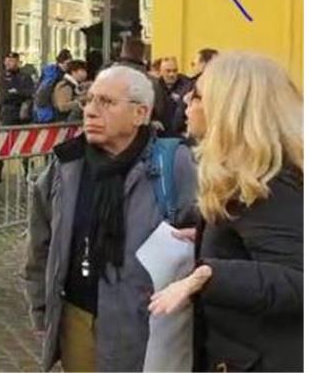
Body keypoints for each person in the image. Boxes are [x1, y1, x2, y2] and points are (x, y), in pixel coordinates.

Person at [23, 65, 198, 372]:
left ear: (140, 114)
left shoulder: (173, 164)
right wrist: (42, 308)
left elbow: (203, 244)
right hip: (78, 318)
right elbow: (40, 243)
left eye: (106, 102)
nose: (90, 111)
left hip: (147, 325)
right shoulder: (67, 164)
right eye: (88, 100)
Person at [149, 52, 304, 372]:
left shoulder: (270, 185)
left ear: (231, 109)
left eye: (200, 95)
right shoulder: (246, 174)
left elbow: (300, 279)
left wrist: (208, 275)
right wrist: (212, 239)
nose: (187, 99)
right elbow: (256, 247)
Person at [111, 36, 170, 136]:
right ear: (142, 56)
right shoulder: (152, 82)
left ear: (122, 52)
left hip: (111, 132)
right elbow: (161, 112)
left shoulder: (106, 78)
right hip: (142, 136)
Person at [33, 49, 72, 123]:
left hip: (45, 110)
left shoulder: (52, 72)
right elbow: (44, 92)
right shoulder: (54, 74)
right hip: (48, 110)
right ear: (62, 63)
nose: (68, 67)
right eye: (67, 64)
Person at [0, 51, 35, 126]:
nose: (8, 63)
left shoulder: (24, 76)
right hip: (8, 114)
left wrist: (16, 92)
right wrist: (19, 93)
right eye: (7, 61)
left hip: (23, 113)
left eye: (11, 61)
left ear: (17, 62)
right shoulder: (2, 77)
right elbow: (4, 97)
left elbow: (31, 93)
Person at [158, 57, 192, 137]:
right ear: (161, 72)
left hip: (181, 136)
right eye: (168, 71)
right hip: (161, 135)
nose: (172, 74)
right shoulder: (156, 86)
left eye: (175, 71)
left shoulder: (187, 86)